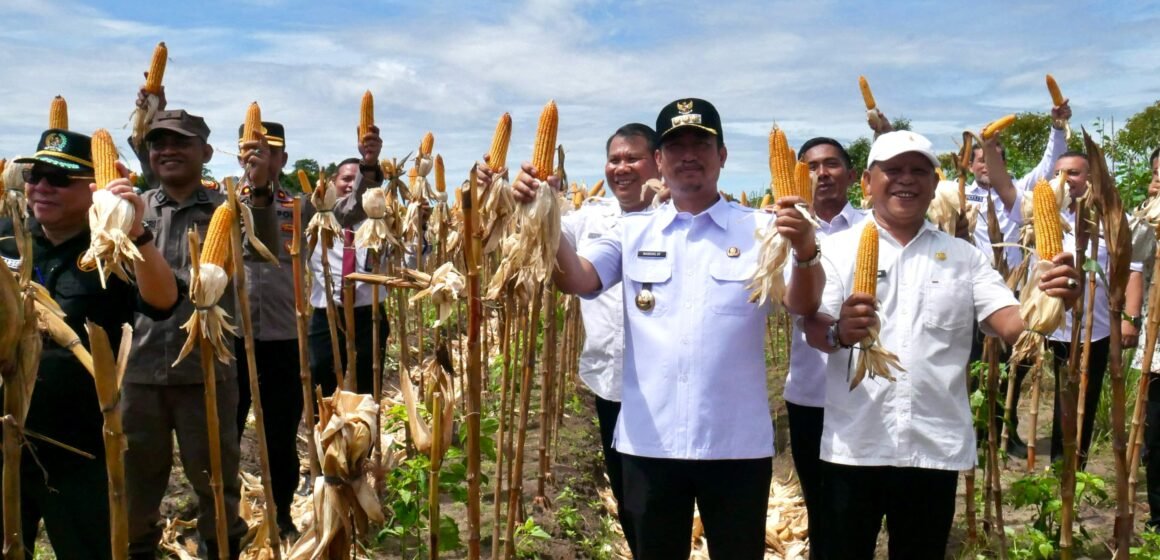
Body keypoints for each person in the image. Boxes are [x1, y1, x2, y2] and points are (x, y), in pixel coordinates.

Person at [502, 98, 822, 559]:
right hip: (649, 446)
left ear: (723, 156)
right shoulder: (632, 233)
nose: (688, 153)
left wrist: (806, 250)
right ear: (660, 160)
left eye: (701, 143)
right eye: (676, 145)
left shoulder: (761, 231)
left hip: (735, 444)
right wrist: (540, 214)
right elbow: (576, 278)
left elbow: (802, 302)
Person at [804, 131, 1082, 558]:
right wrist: (840, 332)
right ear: (868, 182)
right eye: (893, 170)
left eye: (918, 171)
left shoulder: (964, 257)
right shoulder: (837, 248)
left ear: (935, 185)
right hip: (853, 448)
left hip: (932, 450)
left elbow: (1010, 323)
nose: (906, 180)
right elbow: (814, 328)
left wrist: (1050, 294)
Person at [1, 129, 179, 559]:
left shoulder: (111, 249)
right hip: (7, 433)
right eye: (35, 174)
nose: (41, 186)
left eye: (58, 179)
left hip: (79, 445)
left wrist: (135, 231)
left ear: (92, 189)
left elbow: (164, 300)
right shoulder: (8, 236)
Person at [123, 108, 279, 559]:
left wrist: (262, 185)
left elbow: (264, 246)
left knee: (216, 479)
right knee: (136, 482)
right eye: (158, 143)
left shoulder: (226, 210)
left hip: (207, 370)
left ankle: (221, 549)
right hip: (139, 371)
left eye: (180, 143)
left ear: (206, 153)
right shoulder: (135, 209)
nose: (167, 151)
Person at [554, 123, 660, 555]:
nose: (621, 168)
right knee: (630, 497)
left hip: (666, 389)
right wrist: (516, 198)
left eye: (632, 158)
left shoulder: (682, 216)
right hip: (611, 381)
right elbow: (544, 241)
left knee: (666, 498)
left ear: (658, 162)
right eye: (614, 159)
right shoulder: (589, 218)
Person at [783, 137, 866, 559]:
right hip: (810, 393)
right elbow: (792, 304)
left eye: (832, 164)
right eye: (811, 166)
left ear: (852, 176)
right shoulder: (779, 233)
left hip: (868, 394)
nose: (822, 173)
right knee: (821, 506)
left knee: (861, 510)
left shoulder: (875, 229)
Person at [1042, 151, 1144, 468]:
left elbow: (1134, 269)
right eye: (1058, 173)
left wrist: (1130, 320)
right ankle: (1059, 462)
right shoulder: (1049, 216)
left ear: (1090, 177)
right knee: (1061, 396)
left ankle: (1077, 464)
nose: (1063, 180)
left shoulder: (1115, 218)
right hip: (1055, 326)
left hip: (1096, 330)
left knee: (1085, 397)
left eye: (1072, 173)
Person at [307, 157, 389, 397]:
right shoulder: (315, 222)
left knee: (366, 391)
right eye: (346, 178)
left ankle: (366, 434)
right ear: (332, 183)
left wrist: (421, 225)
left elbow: (408, 260)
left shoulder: (380, 224)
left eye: (359, 180)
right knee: (322, 389)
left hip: (370, 317)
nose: (353, 185)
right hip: (327, 317)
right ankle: (324, 433)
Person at [967, 101, 1072, 269]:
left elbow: (1049, 166)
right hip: (975, 278)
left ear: (1003, 163)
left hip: (1014, 281)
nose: (987, 165)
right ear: (969, 165)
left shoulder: (1019, 189)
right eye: (982, 160)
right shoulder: (961, 195)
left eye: (993, 159)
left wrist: (1058, 129)